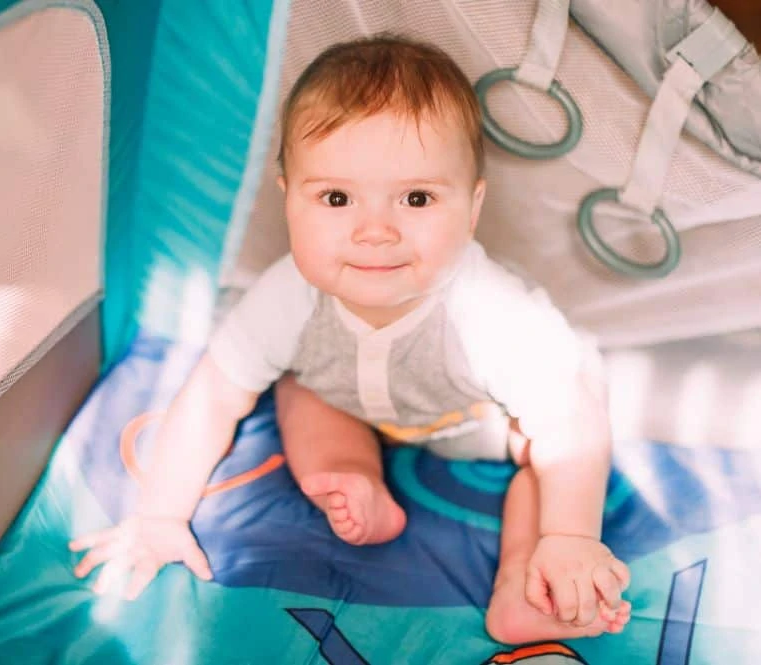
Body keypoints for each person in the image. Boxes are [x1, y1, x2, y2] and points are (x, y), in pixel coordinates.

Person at [70, 33, 631, 644]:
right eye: (336, 198)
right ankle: (354, 476)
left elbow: (570, 423)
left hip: (484, 421)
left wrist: (572, 537)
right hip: (356, 399)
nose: (374, 231)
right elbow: (210, 399)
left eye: (416, 198)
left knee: (545, 462)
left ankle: (527, 582)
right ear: (289, 200)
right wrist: (159, 517)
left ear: (472, 209)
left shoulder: (487, 311)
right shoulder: (287, 297)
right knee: (299, 391)